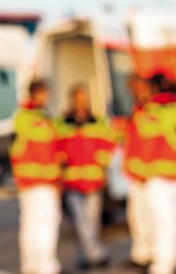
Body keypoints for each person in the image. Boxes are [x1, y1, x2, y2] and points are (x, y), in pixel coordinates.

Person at [135, 73, 176, 274]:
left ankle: (163, 265)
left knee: (163, 221)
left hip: (158, 176)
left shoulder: (151, 113)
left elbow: (144, 141)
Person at [56, 84, 115, 270]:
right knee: (81, 220)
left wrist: (102, 160)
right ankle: (97, 253)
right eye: (78, 99)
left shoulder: (97, 121)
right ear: (72, 100)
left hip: (93, 180)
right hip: (72, 180)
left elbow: (108, 144)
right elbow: (56, 145)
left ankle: (84, 256)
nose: (81, 103)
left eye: (84, 99)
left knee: (92, 220)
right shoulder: (63, 122)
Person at [10, 79, 62, 274]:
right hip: (43, 181)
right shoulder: (39, 120)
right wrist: (56, 177)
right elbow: (46, 151)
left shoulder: (20, 116)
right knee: (46, 223)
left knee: (29, 223)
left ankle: (30, 265)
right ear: (38, 94)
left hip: (26, 181)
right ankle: (47, 267)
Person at [123, 73, 153, 269]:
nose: (132, 90)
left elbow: (149, 144)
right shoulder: (137, 108)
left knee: (146, 215)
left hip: (146, 173)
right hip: (135, 172)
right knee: (135, 215)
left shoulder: (151, 110)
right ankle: (141, 252)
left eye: (136, 86)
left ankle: (149, 254)